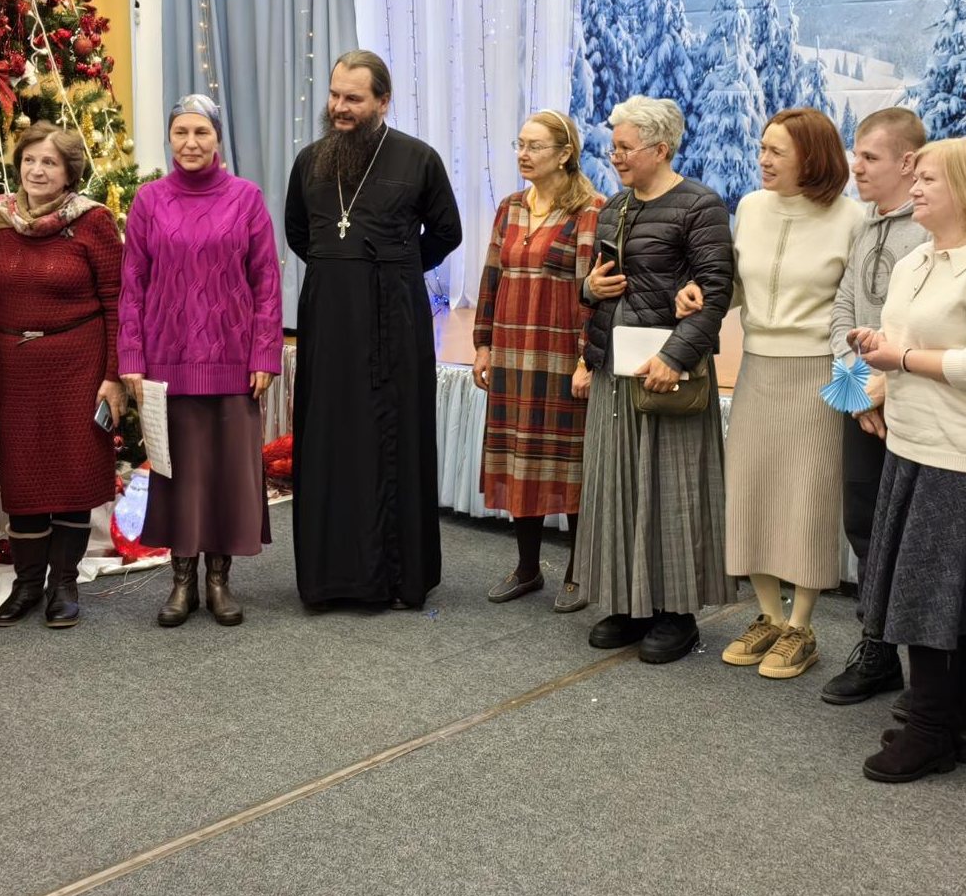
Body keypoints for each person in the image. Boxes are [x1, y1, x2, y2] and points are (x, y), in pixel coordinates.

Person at [846, 138, 966, 782]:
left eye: (928, 177)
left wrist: (898, 359)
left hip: (961, 452)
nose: (916, 185)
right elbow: (902, 342)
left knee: (931, 595)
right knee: (934, 591)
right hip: (912, 441)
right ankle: (958, 725)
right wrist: (857, 382)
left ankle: (928, 729)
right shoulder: (921, 259)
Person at [284, 51, 462, 609]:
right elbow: (298, 233)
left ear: (383, 102)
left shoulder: (418, 159)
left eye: (353, 99)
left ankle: (393, 577)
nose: (339, 107)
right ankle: (330, 577)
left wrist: (395, 267)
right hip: (329, 319)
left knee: (392, 438)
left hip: (395, 320)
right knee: (331, 437)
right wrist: (343, 273)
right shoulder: (310, 161)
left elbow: (447, 233)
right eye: (335, 95)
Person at [573, 96, 735, 664]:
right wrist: (589, 290)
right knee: (617, 487)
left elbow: (714, 295)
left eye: (624, 147)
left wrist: (677, 355)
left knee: (671, 493)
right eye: (613, 146)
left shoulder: (700, 206)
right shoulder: (615, 205)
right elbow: (593, 285)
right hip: (614, 370)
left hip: (668, 372)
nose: (613, 155)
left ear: (660, 149)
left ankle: (677, 614)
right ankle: (628, 602)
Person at [120, 95, 282, 628]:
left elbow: (266, 282)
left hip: (233, 362)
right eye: (180, 133)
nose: (190, 143)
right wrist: (132, 358)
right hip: (167, 362)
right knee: (177, 475)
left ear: (218, 139)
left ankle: (219, 580)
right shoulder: (148, 201)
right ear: (170, 139)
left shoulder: (246, 198)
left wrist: (264, 351)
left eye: (201, 133)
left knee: (228, 475)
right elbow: (133, 289)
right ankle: (182, 580)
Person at [716, 108, 863, 679]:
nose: (763, 159)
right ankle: (767, 617)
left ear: (813, 157)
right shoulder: (750, 209)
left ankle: (802, 625)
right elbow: (734, 287)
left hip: (821, 373)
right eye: (762, 148)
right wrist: (698, 300)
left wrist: (859, 396)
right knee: (751, 488)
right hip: (757, 367)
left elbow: (856, 312)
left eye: (776, 151)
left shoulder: (851, 218)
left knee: (809, 497)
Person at [0, 122, 123, 630]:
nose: (37, 170)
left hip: (79, 363)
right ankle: (26, 584)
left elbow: (117, 301)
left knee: (72, 470)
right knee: (23, 474)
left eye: (50, 163)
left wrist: (114, 375)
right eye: (29, 160)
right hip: (16, 365)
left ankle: (63, 583)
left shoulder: (93, 222)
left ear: (69, 173)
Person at [820, 107, 930, 706]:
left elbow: (930, 329)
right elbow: (843, 312)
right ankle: (878, 648)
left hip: (911, 404)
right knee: (863, 525)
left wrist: (882, 390)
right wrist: (858, 389)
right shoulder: (863, 227)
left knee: (913, 533)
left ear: (909, 163)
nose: (854, 167)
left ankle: (932, 668)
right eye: (854, 154)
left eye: (870, 157)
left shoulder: (937, 228)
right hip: (862, 396)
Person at [473, 109, 602, 612]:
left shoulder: (590, 210)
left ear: (565, 153)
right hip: (512, 353)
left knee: (569, 466)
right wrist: (483, 344)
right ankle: (528, 569)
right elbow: (491, 279)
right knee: (518, 459)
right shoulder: (509, 207)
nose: (523, 154)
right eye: (519, 144)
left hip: (559, 356)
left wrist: (588, 359)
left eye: (535, 146)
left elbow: (594, 295)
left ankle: (577, 572)